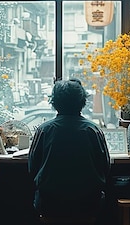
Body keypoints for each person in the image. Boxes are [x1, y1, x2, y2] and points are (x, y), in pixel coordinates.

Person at [28, 79, 111, 216]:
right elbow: (105, 166)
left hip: (49, 203)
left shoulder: (44, 130)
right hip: (89, 203)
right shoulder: (93, 130)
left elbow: (32, 168)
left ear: (54, 103)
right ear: (83, 102)